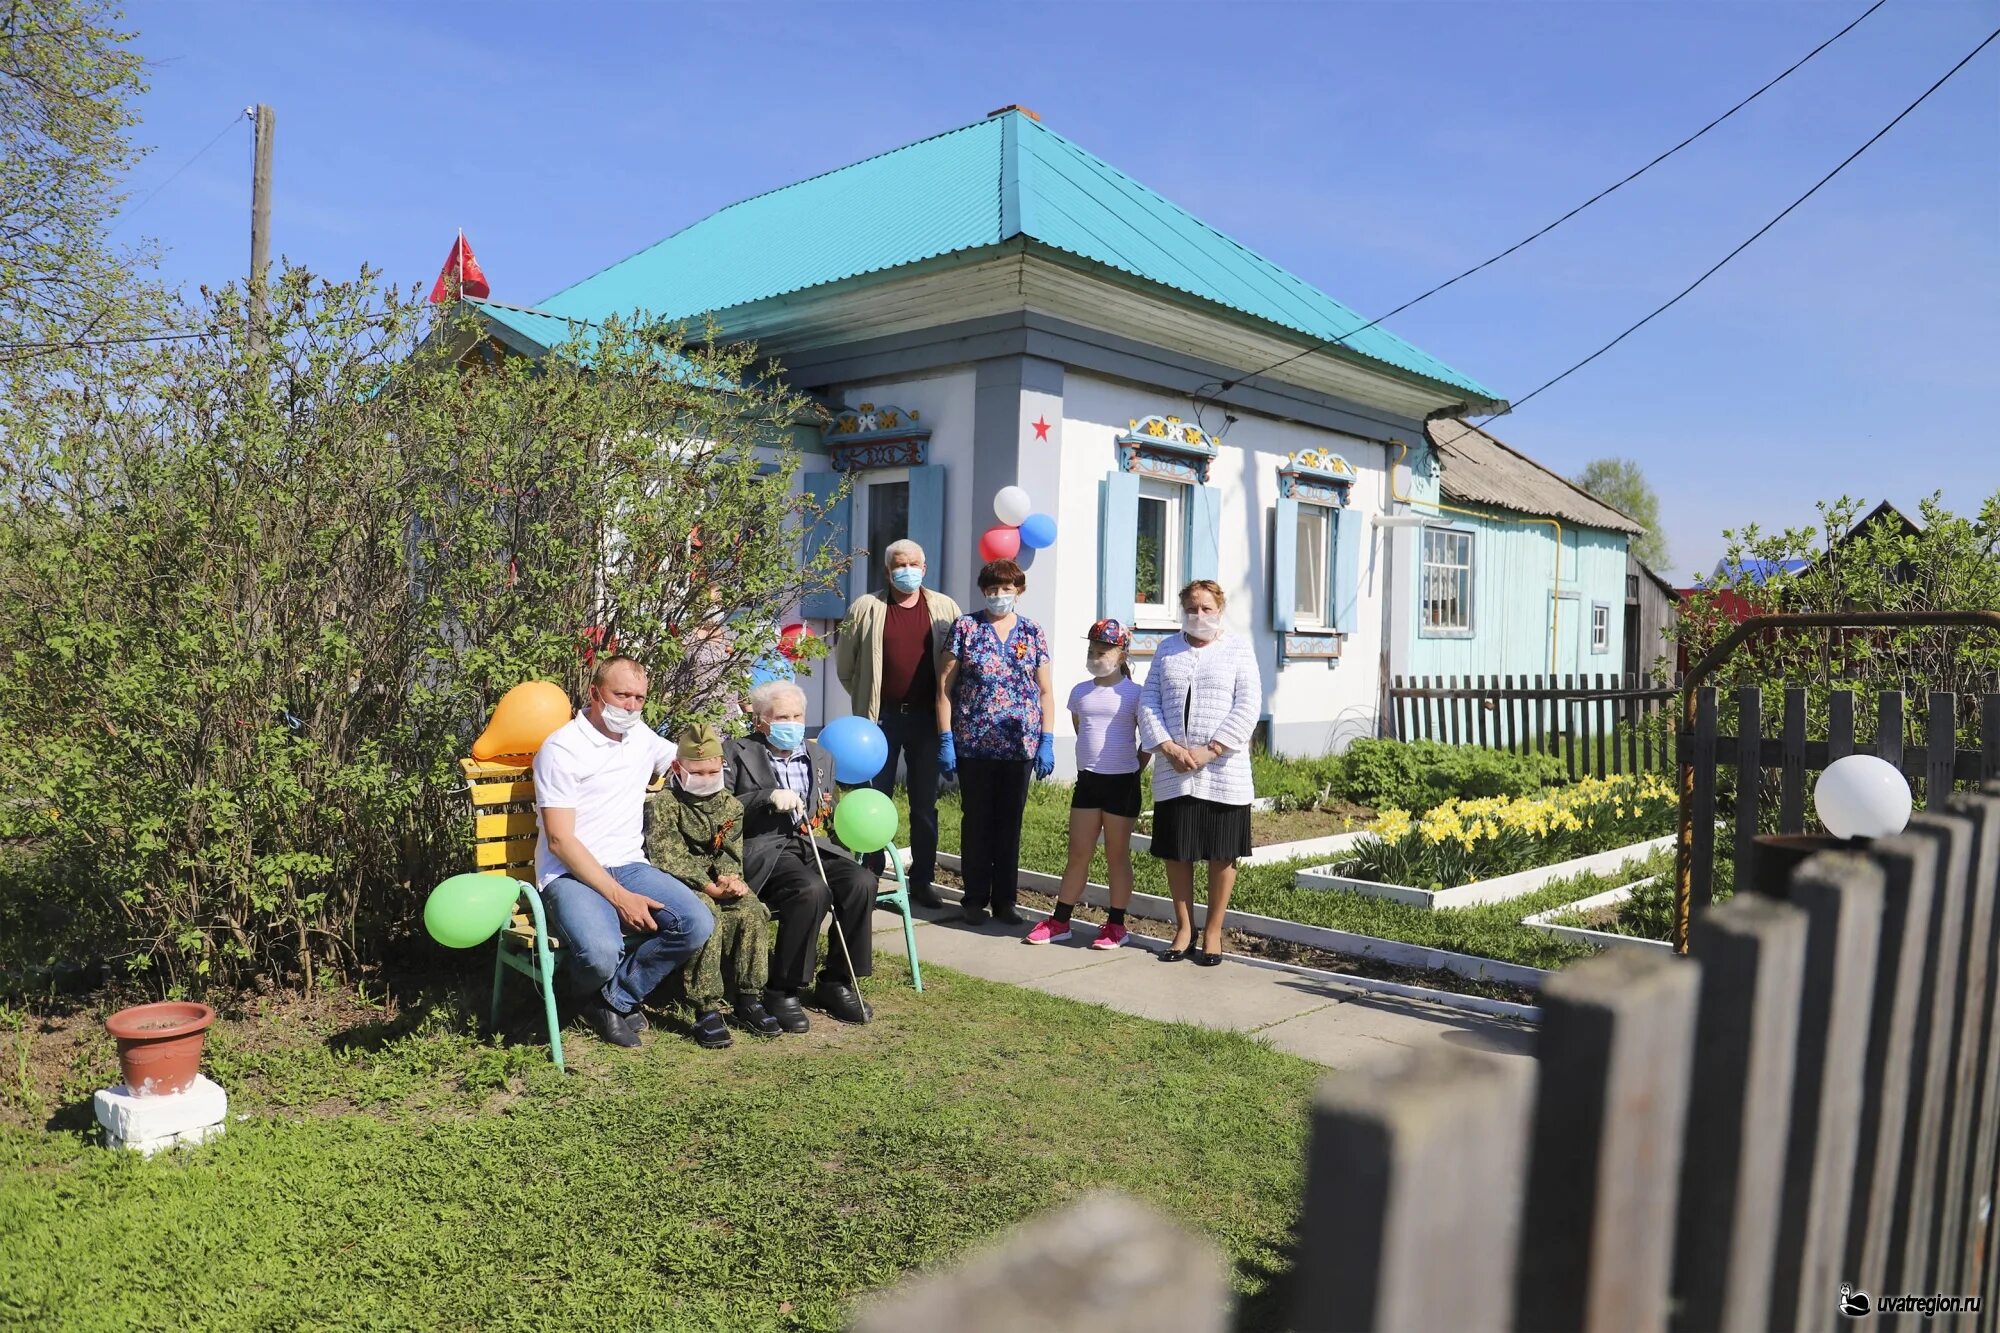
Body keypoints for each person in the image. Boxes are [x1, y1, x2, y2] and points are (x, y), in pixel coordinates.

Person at [534, 656, 716, 1048]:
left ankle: (611, 1000)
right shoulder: (562, 748)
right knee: (601, 951)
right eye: (622, 696)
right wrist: (620, 899)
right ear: (594, 693)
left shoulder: (640, 736)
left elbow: (683, 760)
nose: (631, 706)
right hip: (570, 873)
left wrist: (710, 763)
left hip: (631, 864)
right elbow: (560, 841)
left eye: (639, 698)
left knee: (696, 922)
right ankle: (581, 992)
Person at [723, 680, 876, 1030]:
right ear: (761, 720)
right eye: (781, 716)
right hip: (765, 847)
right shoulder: (735, 752)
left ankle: (836, 982)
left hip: (811, 844)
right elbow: (722, 810)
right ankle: (783, 988)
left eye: (797, 715)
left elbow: (828, 809)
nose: (791, 723)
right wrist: (765, 797)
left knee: (861, 882)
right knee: (810, 890)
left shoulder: (821, 757)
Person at [1137, 580, 1261, 966]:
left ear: (1219, 610)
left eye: (1207, 608)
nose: (1199, 615)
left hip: (1223, 770)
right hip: (1175, 770)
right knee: (1178, 850)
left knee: (1221, 853)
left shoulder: (1238, 648)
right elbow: (1148, 702)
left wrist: (1211, 750)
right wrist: (1169, 748)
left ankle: (1213, 932)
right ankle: (1184, 928)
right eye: (1192, 608)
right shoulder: (1167, 649)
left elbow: (1248, 705)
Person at [834, 538, 960, 909]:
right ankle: (868, 876)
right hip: (880, 719)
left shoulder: (945, 608)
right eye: (899, 566)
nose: (907, 571)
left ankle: (922, 879)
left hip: (926, 720)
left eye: (913, 565)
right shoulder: (866, 607)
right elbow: (847, 667)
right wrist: (867, 698)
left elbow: (957, 664)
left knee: (924, 805)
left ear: (924, 568)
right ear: (887, 571)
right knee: (875, 799)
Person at [643, 721, 783, 1048]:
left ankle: (749, 997)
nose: (707, 779)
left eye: (712, 771)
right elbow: (667, 856)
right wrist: (708, 888)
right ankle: (706, 1008)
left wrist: (731, 880)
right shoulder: (664, 803)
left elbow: (730, 850)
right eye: (698, 772)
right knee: (706, 912)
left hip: (712, 882)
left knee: (750, 910)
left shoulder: (729, 805)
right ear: (678, 768)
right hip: (675, 883)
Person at [937, 558, 1054, 928]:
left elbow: (1045, 690)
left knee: (1009, 824)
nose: (999, 595)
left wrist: (1047, 739)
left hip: (1019, 745)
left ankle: (1006, 900)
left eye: (1006, 588)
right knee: (977, 823)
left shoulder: (1032, 632)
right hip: (973, 743)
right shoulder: (966, 628)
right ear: (983, 590)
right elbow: (944, 687)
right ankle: (973, 898)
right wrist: (946, 738)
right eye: (992, 589)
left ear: (1019, 590)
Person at [1026, 619, 1146, 949]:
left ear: (1121, 654)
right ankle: (1060, 920)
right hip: (1088, 782)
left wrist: (1133, 769)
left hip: (1122, 783)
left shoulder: (1135, 694)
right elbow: (1083, 731)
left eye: (1104, 651)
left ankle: (1116, 925)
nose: (1096, 656)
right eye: (1092, 650)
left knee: (1116, 856)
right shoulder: (1080, 692)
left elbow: (1147, 742)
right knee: (1078, 853)